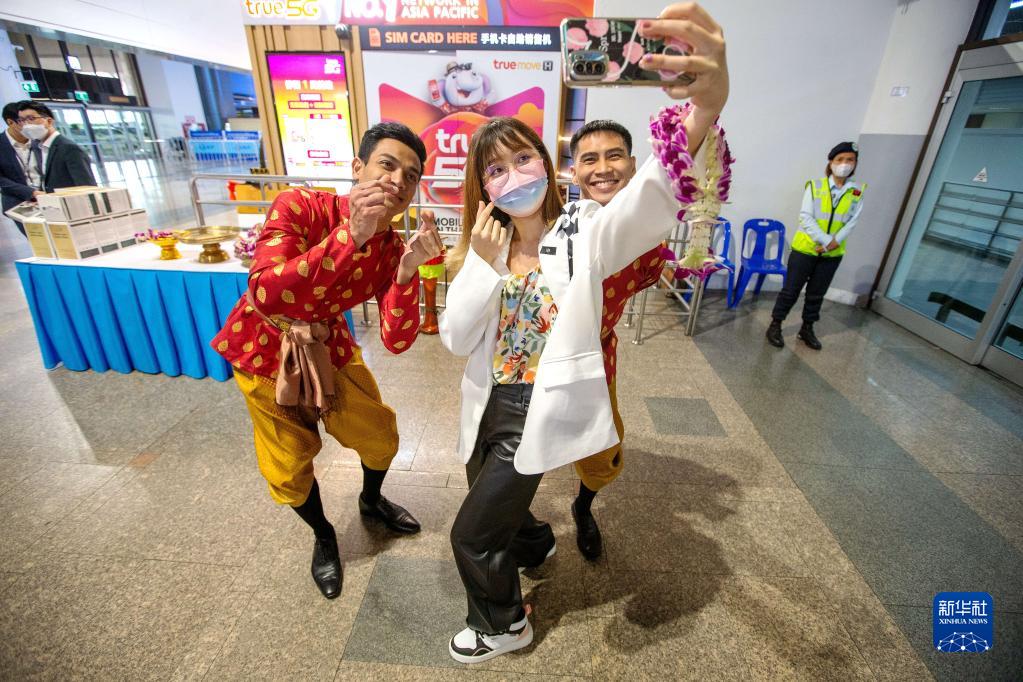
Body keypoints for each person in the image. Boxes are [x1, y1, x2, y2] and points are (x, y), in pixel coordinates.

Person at [440, 2, 729, 663]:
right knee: (487, 500)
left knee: (470, 534)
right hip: (487, 399)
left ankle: (501, 623)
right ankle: (535, 544)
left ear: (547, 163)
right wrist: (482, 270)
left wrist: (703, 112)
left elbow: (649, 194)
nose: (513, 177)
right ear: (481, 186)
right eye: (495, 170)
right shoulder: (481, 246)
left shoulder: (585, 232)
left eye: (522, 159)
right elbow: (457, 340)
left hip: (537, 404)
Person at [210, 122, 443, 600]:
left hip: (330, 344)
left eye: (412, 175)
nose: (399, 180)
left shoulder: (390, 249)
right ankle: (323, 535)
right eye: (387, 164)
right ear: (357, 168)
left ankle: (371, 499)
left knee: (379, 435)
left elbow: (398, 340)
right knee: (288, 463)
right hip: (262, 347)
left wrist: (404, 273)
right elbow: (266, 291)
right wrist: (348, 236)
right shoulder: (299, 205)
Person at [565, 119, 667, 561]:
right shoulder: (555, 224)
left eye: (613, 157)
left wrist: (679, 267)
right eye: (589, 159)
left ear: (631, 164)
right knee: (517, 450)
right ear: (574, 172)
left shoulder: (645, 235)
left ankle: (583, 507)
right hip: (535, 359)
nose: (602, 169)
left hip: (596, 356)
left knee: (603, 452)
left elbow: (648, 273)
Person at [766, 141, 866, 350]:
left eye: (850, 160)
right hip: (806, 249)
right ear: (831, 163)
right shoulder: (815, 186)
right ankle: (775, 325)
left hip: (832, 254)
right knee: (791, 291)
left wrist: (833, 244)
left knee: (816, 294)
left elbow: (852, 221)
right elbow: (806, 217)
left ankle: (807, 329)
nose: (845, 164)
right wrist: (826, 240)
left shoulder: (857, 191)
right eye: (840, 160)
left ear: (855, 164)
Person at [16, 101, 96, 193]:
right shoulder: (40, 148)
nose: (26, 125)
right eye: (21, 120)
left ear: (49, 121)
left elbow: (87, 187)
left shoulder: (69, 148)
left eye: (31, 118)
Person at [0, 101, 43, 232]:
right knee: (40, 242)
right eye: (23, 120)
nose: (29, 124)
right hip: (19, 203)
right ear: (10, 122)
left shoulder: (39, 140)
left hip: (48, 199)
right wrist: (31, 193)